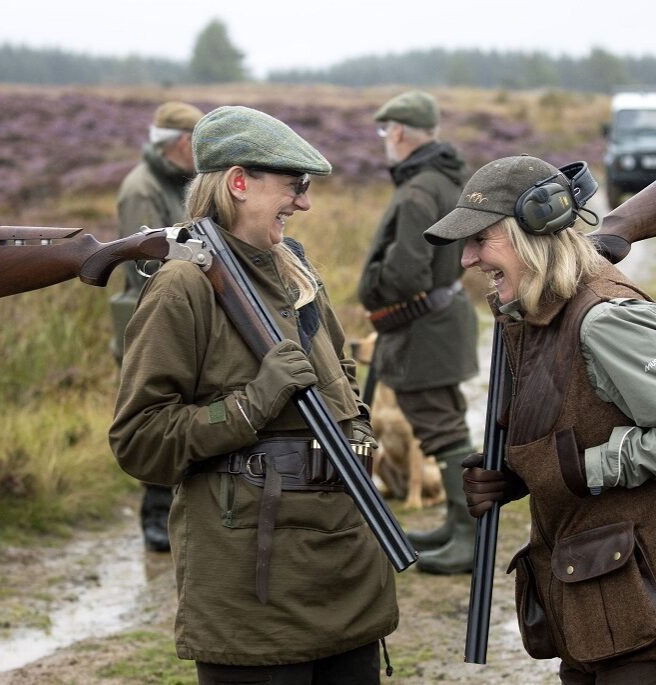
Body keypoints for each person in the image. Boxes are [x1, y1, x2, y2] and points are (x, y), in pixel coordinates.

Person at [423, 154, 656, 683]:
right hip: (599, 592)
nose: (467, 259)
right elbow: (568, 417)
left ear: (534, 234)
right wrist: (517, 474)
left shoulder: (604, 317)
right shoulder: (532, 309)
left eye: (481, 240)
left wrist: (586, 467)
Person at [110, 106, 398, 683]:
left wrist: (359, 434)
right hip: (253, 584)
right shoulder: (181, 287)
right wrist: (251, 403)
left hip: (343, 561)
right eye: (295, 186)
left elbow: (339, 372)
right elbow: (140, 441)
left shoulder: (295, 269)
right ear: (240, 183)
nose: (305, 202)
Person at [356, 90, 479, 574]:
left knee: (440, 425)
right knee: (446, 420)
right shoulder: (444, 181)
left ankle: (467, 536)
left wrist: (371, 285)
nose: (386, 140)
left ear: (401, 131)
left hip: (423, 328)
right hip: (441, 319)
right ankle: (457, 524)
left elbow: (407, 272)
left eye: (386, 131)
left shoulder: (417, 190)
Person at [112, 100, 204, 553]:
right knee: (155, 420)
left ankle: (175, 514)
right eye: (200, 143)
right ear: (184, 143)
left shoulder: (176, 183)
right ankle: (153, 517)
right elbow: (142, 266)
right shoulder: (141, 189)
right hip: (152, 323)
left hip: (178, 319)